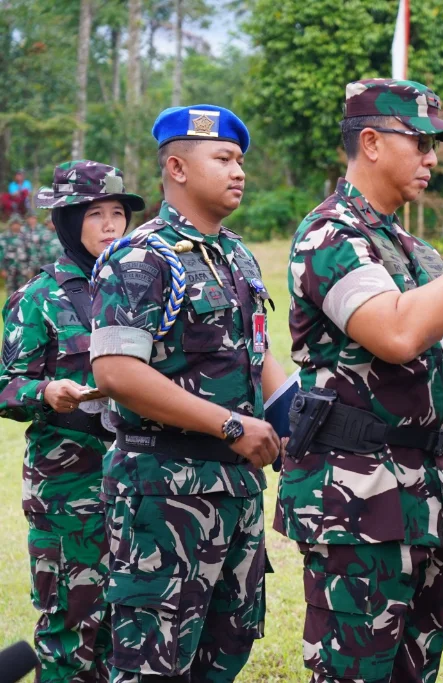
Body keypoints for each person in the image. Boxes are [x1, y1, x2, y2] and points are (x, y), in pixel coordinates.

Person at [276, 78, 443, 683]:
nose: (432, 157)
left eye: (435, 144)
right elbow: (396, 335)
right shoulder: (332, 237)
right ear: (371, 142)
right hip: (354, 503)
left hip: (417, 500)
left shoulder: (413, 250)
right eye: (420, 142)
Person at [89, 105, 287, 683]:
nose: (239, 172)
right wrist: (231, 425)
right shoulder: (142, 257)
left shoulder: (236, 255)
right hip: (163, 491)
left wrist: (299, 425)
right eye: (223, 159)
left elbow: (257, 354)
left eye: (241, 160)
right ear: (176, 166)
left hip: (236, 491)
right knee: (153, 660)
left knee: (225, 651)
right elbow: (117, 372)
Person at [0, 160, 144, 683]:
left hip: (138, 481)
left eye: (117, 214)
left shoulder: (137, 288)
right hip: (69, 491)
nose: (111, 225)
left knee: (129, 627)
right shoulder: (40, 298)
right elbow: (6, 385)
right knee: (72, 630)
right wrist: (47, 391)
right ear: (66, 222)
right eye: (96, 214)